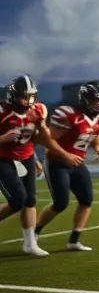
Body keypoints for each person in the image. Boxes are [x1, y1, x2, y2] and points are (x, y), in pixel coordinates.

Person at [0, 76, 83, 256]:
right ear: (12, 96)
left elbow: (43, 138)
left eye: (30, 96)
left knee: (30, 200)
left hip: (26, 155)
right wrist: (3, 139)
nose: (27, 101)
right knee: (17, 200)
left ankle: (30, 243)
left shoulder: (38, 109)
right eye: (23, 96)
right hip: (2, 158)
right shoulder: (2, 111)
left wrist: (54, 156)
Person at [37, 84, 99, 252]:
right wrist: (66, 155)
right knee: (60, 203)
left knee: (86, 200)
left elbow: (97, 133)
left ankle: (74, 240)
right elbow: (48, 140)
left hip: (78, 164)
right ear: (84, 100)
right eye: (94, 100)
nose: (98, 104)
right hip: (57, 162)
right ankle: (34, 232)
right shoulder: (68, 114)